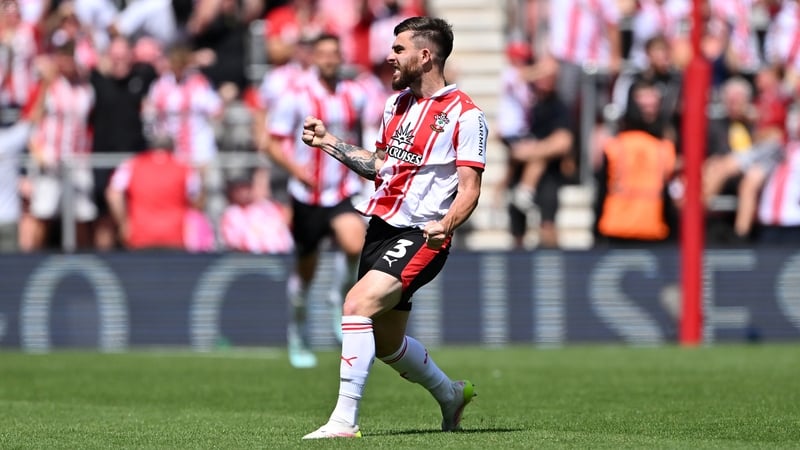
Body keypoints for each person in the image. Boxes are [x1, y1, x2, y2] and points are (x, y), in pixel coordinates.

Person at [299, 16, 487, 439]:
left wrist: (446, 224)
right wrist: (328, 141)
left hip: (423, 234)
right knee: (385, 342)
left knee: (356, 305)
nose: (389, 56)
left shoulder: (466, 115)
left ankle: (343, 421)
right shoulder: (395, 105)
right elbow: (381, 166)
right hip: (381, 228)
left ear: (426, 55)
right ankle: (450, 394)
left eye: (399, 49)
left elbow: (470, 190)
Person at [264, 33, 369, 369]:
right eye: (322, 53)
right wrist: (297, 170)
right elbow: (271, 143)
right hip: (306, 195)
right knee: (306, 271)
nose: (328, 59)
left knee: (355, 243)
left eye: (333, 53)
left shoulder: (355, 94)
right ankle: (298, 332)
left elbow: (360, 135)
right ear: (313, 57)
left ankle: (337, 298)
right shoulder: (296, 95)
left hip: (341, 190)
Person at [594, 80, 677, 245]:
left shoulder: (615, 145)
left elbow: (601, 191)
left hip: (616, 229)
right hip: (653, 230)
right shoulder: (664, 148)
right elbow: (668, 198)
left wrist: (596, 233)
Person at [105, 132, 202, 250]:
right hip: (175, 236)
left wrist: (123, 223)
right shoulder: (185, 167)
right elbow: (196, 199)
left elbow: (113, 194)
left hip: (139, 235)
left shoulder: (132, 164)